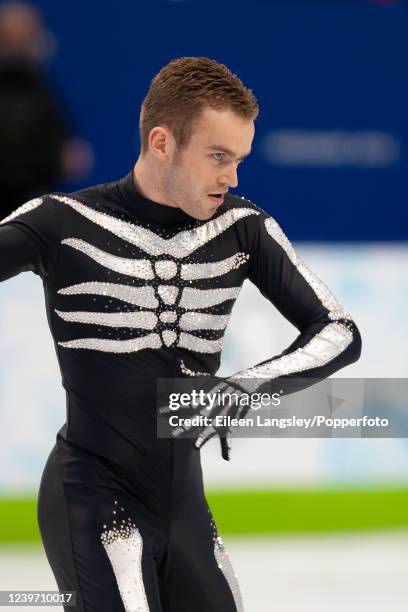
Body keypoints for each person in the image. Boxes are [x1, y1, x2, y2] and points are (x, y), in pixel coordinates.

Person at [0, 56, 361, 611]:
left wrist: (244, 388)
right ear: (162, 143)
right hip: (92, 496)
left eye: (239, 159)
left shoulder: (243, 226)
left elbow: (338, 330)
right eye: (218, 157)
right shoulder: (59, 223)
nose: (232, 177)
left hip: (184, 503)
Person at [0, 1, 92, 220]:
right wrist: (55, 159)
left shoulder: (37, 86)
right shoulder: (14, 91)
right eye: (25, 33)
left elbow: (64, 143)